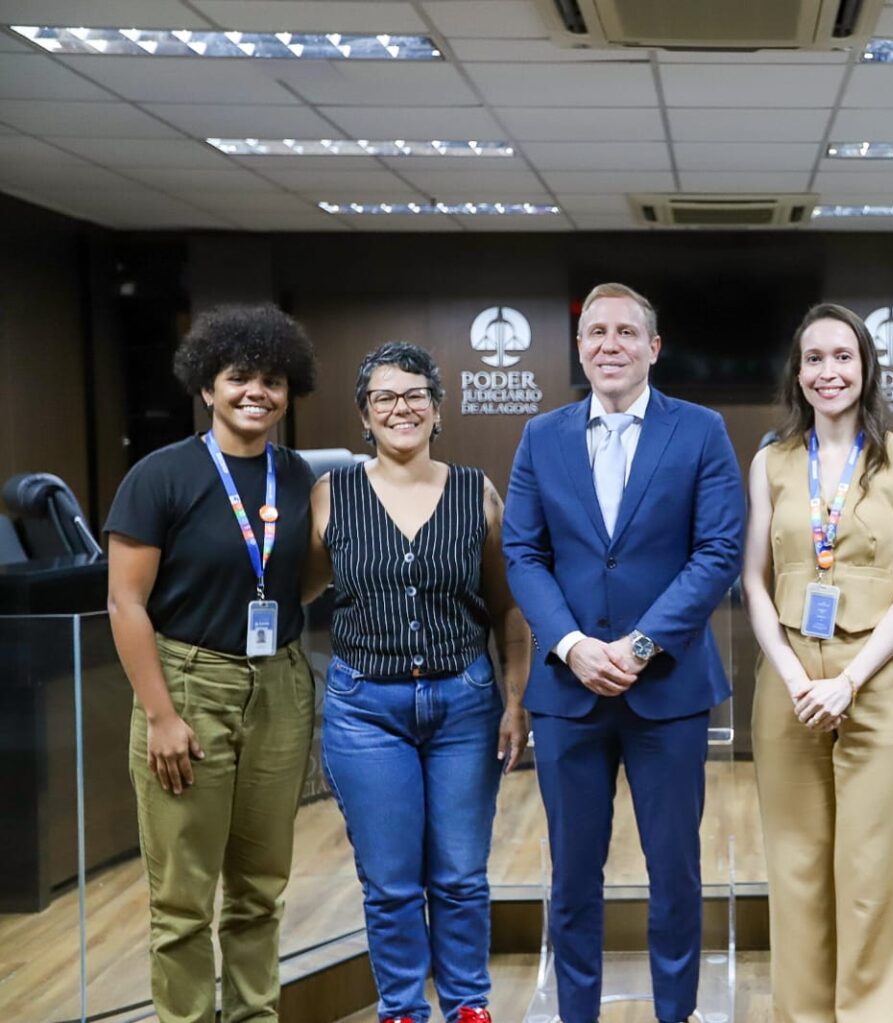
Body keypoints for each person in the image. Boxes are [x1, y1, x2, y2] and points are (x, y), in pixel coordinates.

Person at [501, 282, 744, 1023]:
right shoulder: (541, 436)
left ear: (653, 347)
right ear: (580, 349)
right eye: (596, 332)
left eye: (626, 332)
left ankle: (677, 1013)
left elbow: (718, 550)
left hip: (667, 690)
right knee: (573, 878)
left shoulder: (700, 430)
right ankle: (576, 1012)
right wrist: (572, 645)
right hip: (568, 693)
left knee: (676, 874)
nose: (610, 344)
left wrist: (640, 645)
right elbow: (523, 553)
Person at [105, 303, 318, 1023]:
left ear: (288, 393)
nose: (256, 392)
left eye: (272, 381)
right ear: (207, 386)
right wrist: (161, 715)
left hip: (280, 685)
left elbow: (297, 581)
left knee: (260, 892)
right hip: (189, 686)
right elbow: (125, 603)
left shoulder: (297, 475)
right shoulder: (160, 475)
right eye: (239, 377)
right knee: (183, 901)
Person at [305, 342, 530, 1023]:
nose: (400, 408)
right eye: (384, 397)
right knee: (391, 881)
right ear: (364, 415)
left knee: (460, 874)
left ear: (436, 410)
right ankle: (402, 1008)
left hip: (464, 704)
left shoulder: (476, 492)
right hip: (364, 711)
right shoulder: (331, 495)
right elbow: (298, 592)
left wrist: (515, 701)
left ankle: (467, 1005)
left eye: (414, 395)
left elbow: (508, 608)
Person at [742, 302, 893, 1022]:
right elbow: (753, 580)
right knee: (796, 868)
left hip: (876, 680)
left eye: (843, 356)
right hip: (789, 682)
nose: (829, 371)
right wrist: (795, 676)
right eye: (814, 358)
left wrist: (849, 680)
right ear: (798, 373)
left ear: (866, 368)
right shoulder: (771, 462)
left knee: (875, 870)